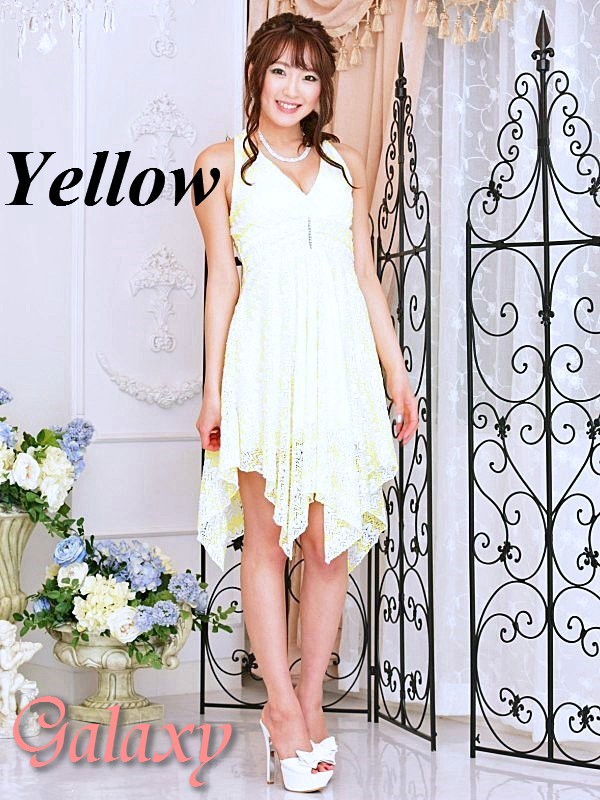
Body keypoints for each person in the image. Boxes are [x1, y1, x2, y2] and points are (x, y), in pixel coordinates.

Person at [192, 12, 418, 793]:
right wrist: (213, 389)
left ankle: (311, 699)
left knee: (329, 546)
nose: (293, 88)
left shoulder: (346, 163)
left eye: (309, 75)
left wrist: (396, 374)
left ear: (324, 88)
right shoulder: (217, 165)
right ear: (257, 75)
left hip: (340, 367)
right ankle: (281, 711)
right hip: (264, 365)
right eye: (280, 71)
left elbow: (365, 276)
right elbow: (222, 281)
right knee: (267, 542)